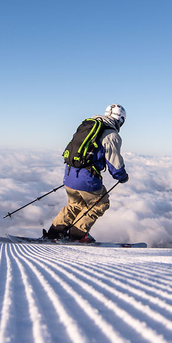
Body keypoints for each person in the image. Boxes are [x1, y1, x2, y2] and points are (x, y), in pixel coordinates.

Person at [43, 104, 129, 243]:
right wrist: (122, 177)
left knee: (74, 205)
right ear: (121, 120)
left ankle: (54, 233)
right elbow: (115, 165)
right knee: (101, 203)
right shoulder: (111, 135)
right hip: (87, 179)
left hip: (70, 174)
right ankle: (77, 235)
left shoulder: (89, 126)